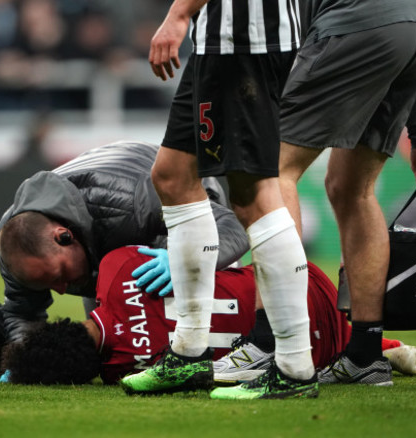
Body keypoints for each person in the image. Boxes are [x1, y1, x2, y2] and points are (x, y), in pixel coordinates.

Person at [119, 0, 319, 400]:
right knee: (173, 176)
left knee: (254, 195)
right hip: (221, 42)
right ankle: (189, 352)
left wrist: (178, 14)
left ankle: (295, 369)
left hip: (243, 41)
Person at [274, 0, 416, 387]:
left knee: (272, 170)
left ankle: (274, 345)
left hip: (355, 23)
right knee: (353, 189)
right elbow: (394, 30)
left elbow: (286, 40)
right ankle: (366, 355)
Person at [0, 246, 416, 385]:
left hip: (314, 351)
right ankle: (380, 345)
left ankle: (387, 350)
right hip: (302, 285)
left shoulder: (124, 372)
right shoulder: (118, 266)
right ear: (57, 325)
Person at [0, 140, 249, 344]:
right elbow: (23, 314)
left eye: (60, 275)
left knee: (195, 319)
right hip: (104, 235)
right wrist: (24, 358)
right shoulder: (17, 243)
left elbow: (233, 227)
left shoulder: (134, 201)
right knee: (113, 345)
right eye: (48, 285)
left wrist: (184, 259)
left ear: (64, 235)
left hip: (184, 191)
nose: (62, 290)